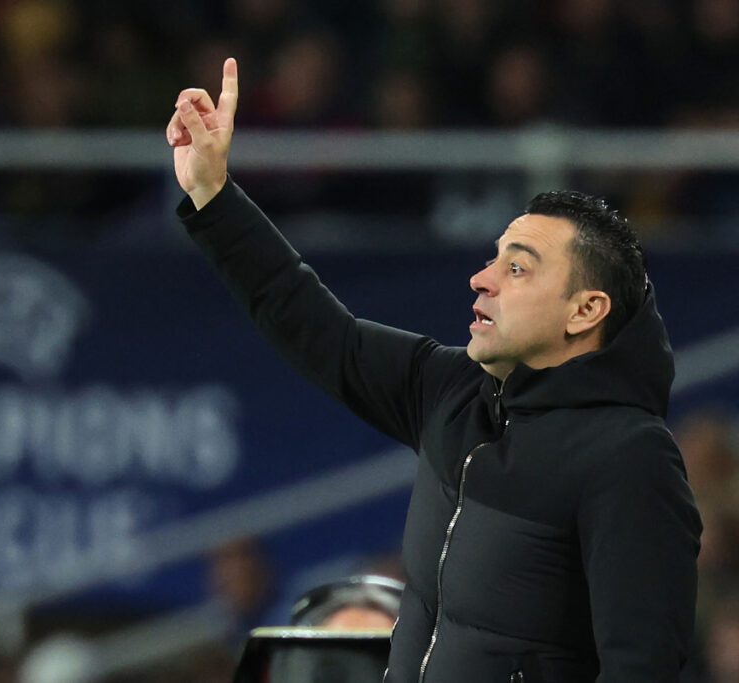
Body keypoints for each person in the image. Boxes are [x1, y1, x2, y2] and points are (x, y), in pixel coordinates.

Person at [165, 58, 702, 682]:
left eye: (518, 268)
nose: (482, 278)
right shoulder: (453, 391)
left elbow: (642, 669)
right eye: (493, 259)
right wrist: (212, 193)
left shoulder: (630, 457)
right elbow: (312, 323)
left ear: (586, 310)